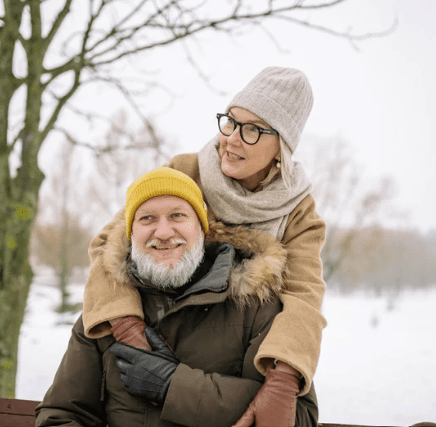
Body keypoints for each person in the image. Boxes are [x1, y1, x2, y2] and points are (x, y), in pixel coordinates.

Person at [83, 67, 327, 425]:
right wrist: (127, 326)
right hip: (166, 331)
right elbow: (109, 245)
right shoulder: (186, 171)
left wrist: (283, 379)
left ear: (282, 147)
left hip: (237, 350)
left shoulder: (298, 213)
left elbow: (304, 298)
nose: (231, 139)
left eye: (253, 130)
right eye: (230, 121)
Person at [35, 167, 319, 427]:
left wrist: (173, 385)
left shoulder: (256, 307)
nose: (163, 232)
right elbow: (61, 416)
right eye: (147, 219)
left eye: (177, 216)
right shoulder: (105, 313)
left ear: (202, 227)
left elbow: (299, 417)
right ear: (131, 233)